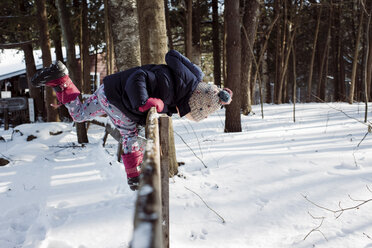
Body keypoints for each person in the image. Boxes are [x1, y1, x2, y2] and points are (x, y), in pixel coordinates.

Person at [31, 50, 232, 190]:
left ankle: (62, 80)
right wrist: (143, 103)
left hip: (110, 92)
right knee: (129, 135)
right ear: (194, 104)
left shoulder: (179, 87)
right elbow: (138, 76)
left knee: (79, 114)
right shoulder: (171, 87)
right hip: (120, 101)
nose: (185, 116)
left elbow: (172, 56)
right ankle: (134, 177)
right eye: (191, 114)